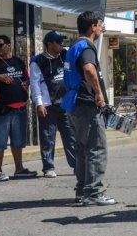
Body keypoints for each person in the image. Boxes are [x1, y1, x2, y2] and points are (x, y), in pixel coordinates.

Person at [65, 11, 116, 206]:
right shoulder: (86, 46)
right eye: (99, 24)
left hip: (75, 103)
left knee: (82, 148)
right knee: (96, 148)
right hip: (87, 103)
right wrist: (99, 93)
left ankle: (82, 190)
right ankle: (93, 192)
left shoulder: (74, 46)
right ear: (92, 27)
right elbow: (88, 69)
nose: (101, 27)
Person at [0, 35, 37, 182]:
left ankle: (19, 169)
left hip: (20, 109)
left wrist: (27, 83)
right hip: (1, 110)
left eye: (0, 45)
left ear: (8, 45)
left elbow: (27, 77)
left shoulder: (18, 62)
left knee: (18, 142)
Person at [30, 30, 76, 178]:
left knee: (70, 136)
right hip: (48, 104)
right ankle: (48, 167)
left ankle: (76, 165)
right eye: (58, 42)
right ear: (49, 44)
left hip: (65, 103)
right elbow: (34, 83)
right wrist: (39, 103)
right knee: (47, 137)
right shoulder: (38, 61)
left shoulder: (65, 55)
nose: (61, 44)